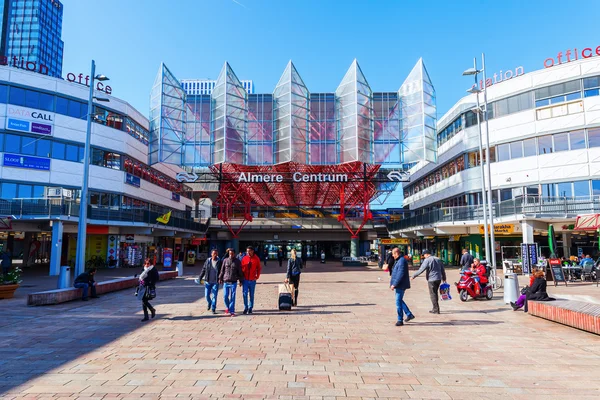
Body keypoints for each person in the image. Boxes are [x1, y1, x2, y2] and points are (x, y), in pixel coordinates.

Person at [411, 249, 447, 314]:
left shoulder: (427, 260)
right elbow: (442, 269)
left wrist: (414, 275)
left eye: (424, 255)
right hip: (438, 278)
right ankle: (435, 308)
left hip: (432, 279)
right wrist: (444, 278)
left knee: (433, 294)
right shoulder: (438, 259)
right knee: (435, 293)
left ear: (427, 254)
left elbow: (422, 269)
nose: (424, 256)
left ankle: (436, 309)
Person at [389, 247, 414, 326]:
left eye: (393, 254)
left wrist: (394, 284)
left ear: (396, 253)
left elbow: (400, 274)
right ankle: (409, 314)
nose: (392, 256)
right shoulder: (399, 260)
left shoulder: (401, 261)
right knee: (399, 300)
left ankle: (400, 319)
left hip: (400, 284)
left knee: (398, 302)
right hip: (399, 284)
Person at [219, 248, 244, 316]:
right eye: (230, 253)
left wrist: (241, 280)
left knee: (232, 296)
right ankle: (228, 307)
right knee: (225, 296)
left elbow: (240, 272)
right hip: (226, 281)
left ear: (234, 254)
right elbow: (222, 270)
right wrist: (220, 278)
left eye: (232, 253)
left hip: (233, 281)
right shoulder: (225, 260)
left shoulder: (237, 261)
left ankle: (232, 310)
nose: (231, 255)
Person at [199, 249, 221, 314]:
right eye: (214, 253)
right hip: (208, 281)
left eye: (216, 254)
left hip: (215, 282)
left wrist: (221, 278)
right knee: (206, 295)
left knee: (214, 295)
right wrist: (200, 277)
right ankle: (209, 302)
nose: (215, 255)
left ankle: (213, 308)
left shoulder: (219, 261)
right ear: (211, 254)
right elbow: (204, 269)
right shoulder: (208, 261)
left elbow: (221, 271)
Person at [241, 246, 262, 314]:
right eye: (247, 251)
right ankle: (245, 307)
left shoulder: (256, 259)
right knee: (244, 294)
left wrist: (257, 276)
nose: (248, 252)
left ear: (252, 251)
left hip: (252, 280)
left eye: (249, 251)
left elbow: (259, 268)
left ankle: (250, 307)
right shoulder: (244, 258)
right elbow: (241, 269)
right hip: (245, 280)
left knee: (251, 294)